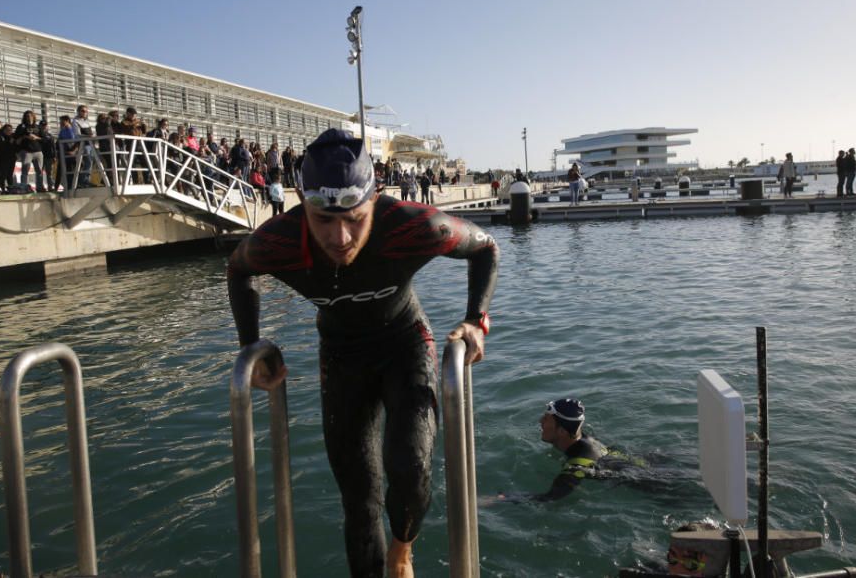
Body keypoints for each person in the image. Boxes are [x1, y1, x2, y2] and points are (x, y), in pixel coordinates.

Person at [227, 128, 499, 578]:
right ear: (302, 203)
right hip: (342, 355)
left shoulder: (412, 226)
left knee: (410, 468)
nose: (339, 237)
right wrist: (251, 344)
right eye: (324, 220)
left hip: (405, 342)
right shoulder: (280, 239)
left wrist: (476, 319)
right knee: (359, 498)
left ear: (374, 198)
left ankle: (402, 551)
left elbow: (486, 248)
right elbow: (238, 270)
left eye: (354, 218)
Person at [493, 398, 649, 503]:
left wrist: (501, 498)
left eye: (546, 419)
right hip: (642, 465)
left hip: (653, 486)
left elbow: (551, 498)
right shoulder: (585, 439)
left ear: (561, 431)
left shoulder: (577, 465)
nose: (540, 421)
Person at [14, 110, 45, 191]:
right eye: (27, 116)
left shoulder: (38, 127)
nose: (29, 118)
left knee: (39, 171)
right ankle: (24, 187)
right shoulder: (21, 126)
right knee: (25, 170)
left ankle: (39, 187)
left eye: (30, 116)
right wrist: (25, 137)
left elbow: (44, 138)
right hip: (26, 151)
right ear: (25, 117)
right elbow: (16, 139)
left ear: (33, 117)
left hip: (38, 151)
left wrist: (36, 137)